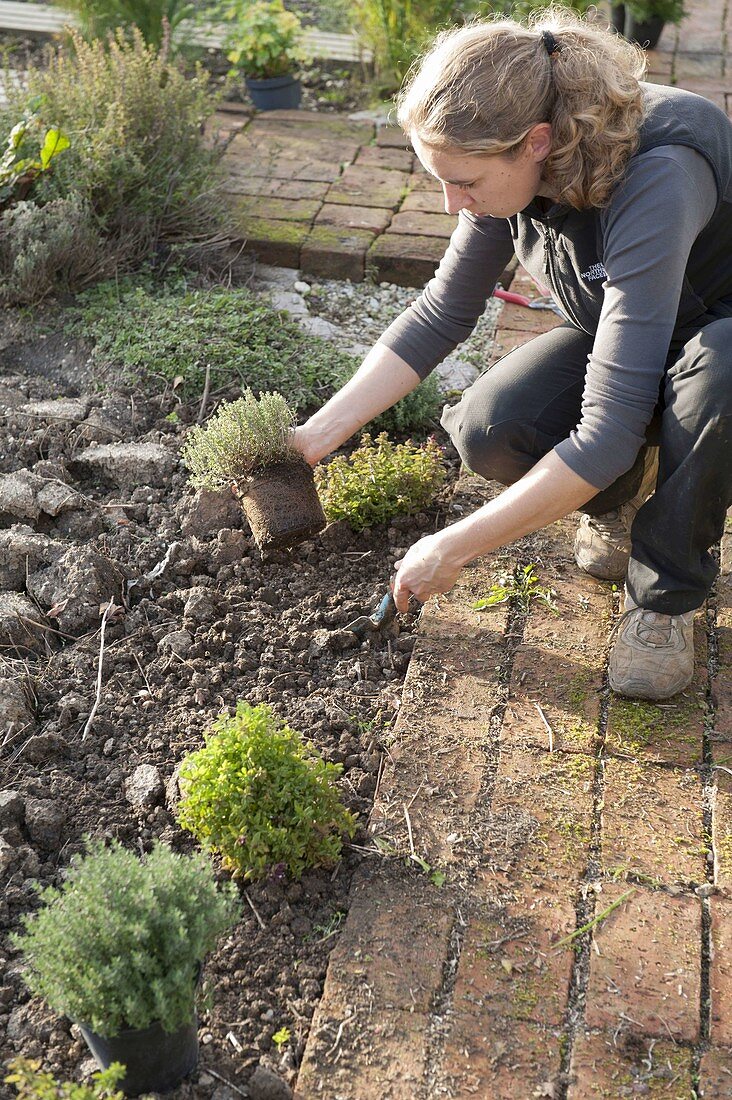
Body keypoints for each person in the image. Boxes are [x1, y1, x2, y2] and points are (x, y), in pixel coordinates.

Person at [293, 5, 732, 702]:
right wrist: (311, 439)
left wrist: (454, 547)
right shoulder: (513, 171)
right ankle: (617, 503)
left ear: (533, 143)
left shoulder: (659, 176)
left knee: (719, 380)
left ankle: (665, 595)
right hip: (634, 320)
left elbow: (604, 431)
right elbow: (441, 312)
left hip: (717, 334)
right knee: (488, 428)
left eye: (463, 182)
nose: (449, 203)